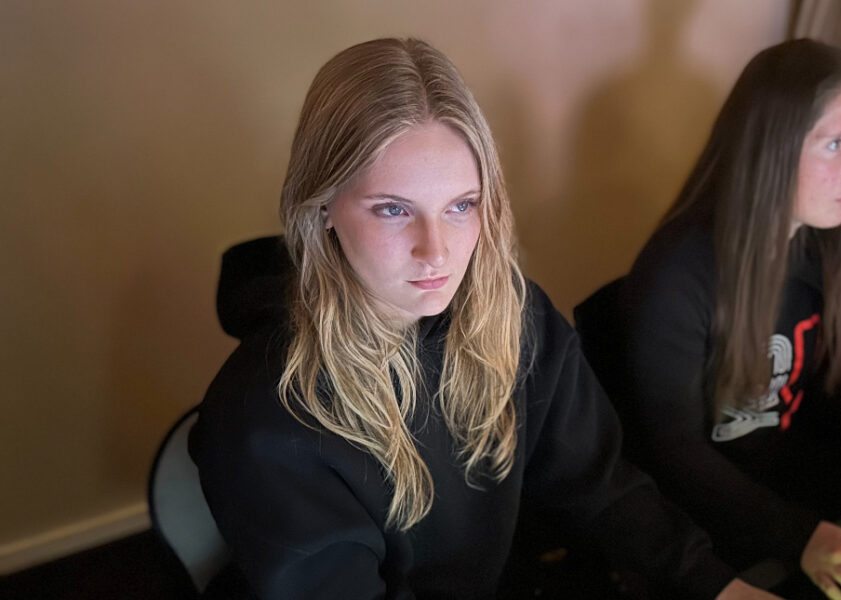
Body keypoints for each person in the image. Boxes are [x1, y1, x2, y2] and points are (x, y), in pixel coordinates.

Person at [189, 38, 781, 600]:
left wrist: (716, 584)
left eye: (460, 207)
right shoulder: (267, 420)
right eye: (393, 210)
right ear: (322, 208)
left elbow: (599, 486)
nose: (437, 251)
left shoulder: (514, 316)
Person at [575, 39, 841, 600]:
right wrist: (797, 535)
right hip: (705, 514)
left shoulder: (834, 242)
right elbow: (674, 451)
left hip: (796, 484)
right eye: (836, 144)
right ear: (771, 150)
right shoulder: (675, 276)